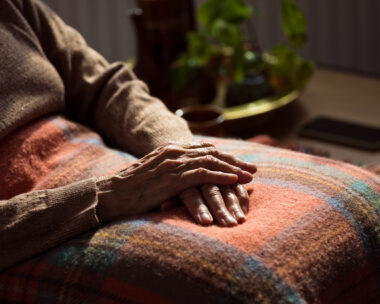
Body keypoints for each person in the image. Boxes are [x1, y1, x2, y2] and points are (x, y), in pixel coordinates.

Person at [0, 0, 256, 271]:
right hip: (41, 230)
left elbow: (107, 86)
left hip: (114, 162)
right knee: (229, 271)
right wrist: (110, 195)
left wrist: (182, 152)